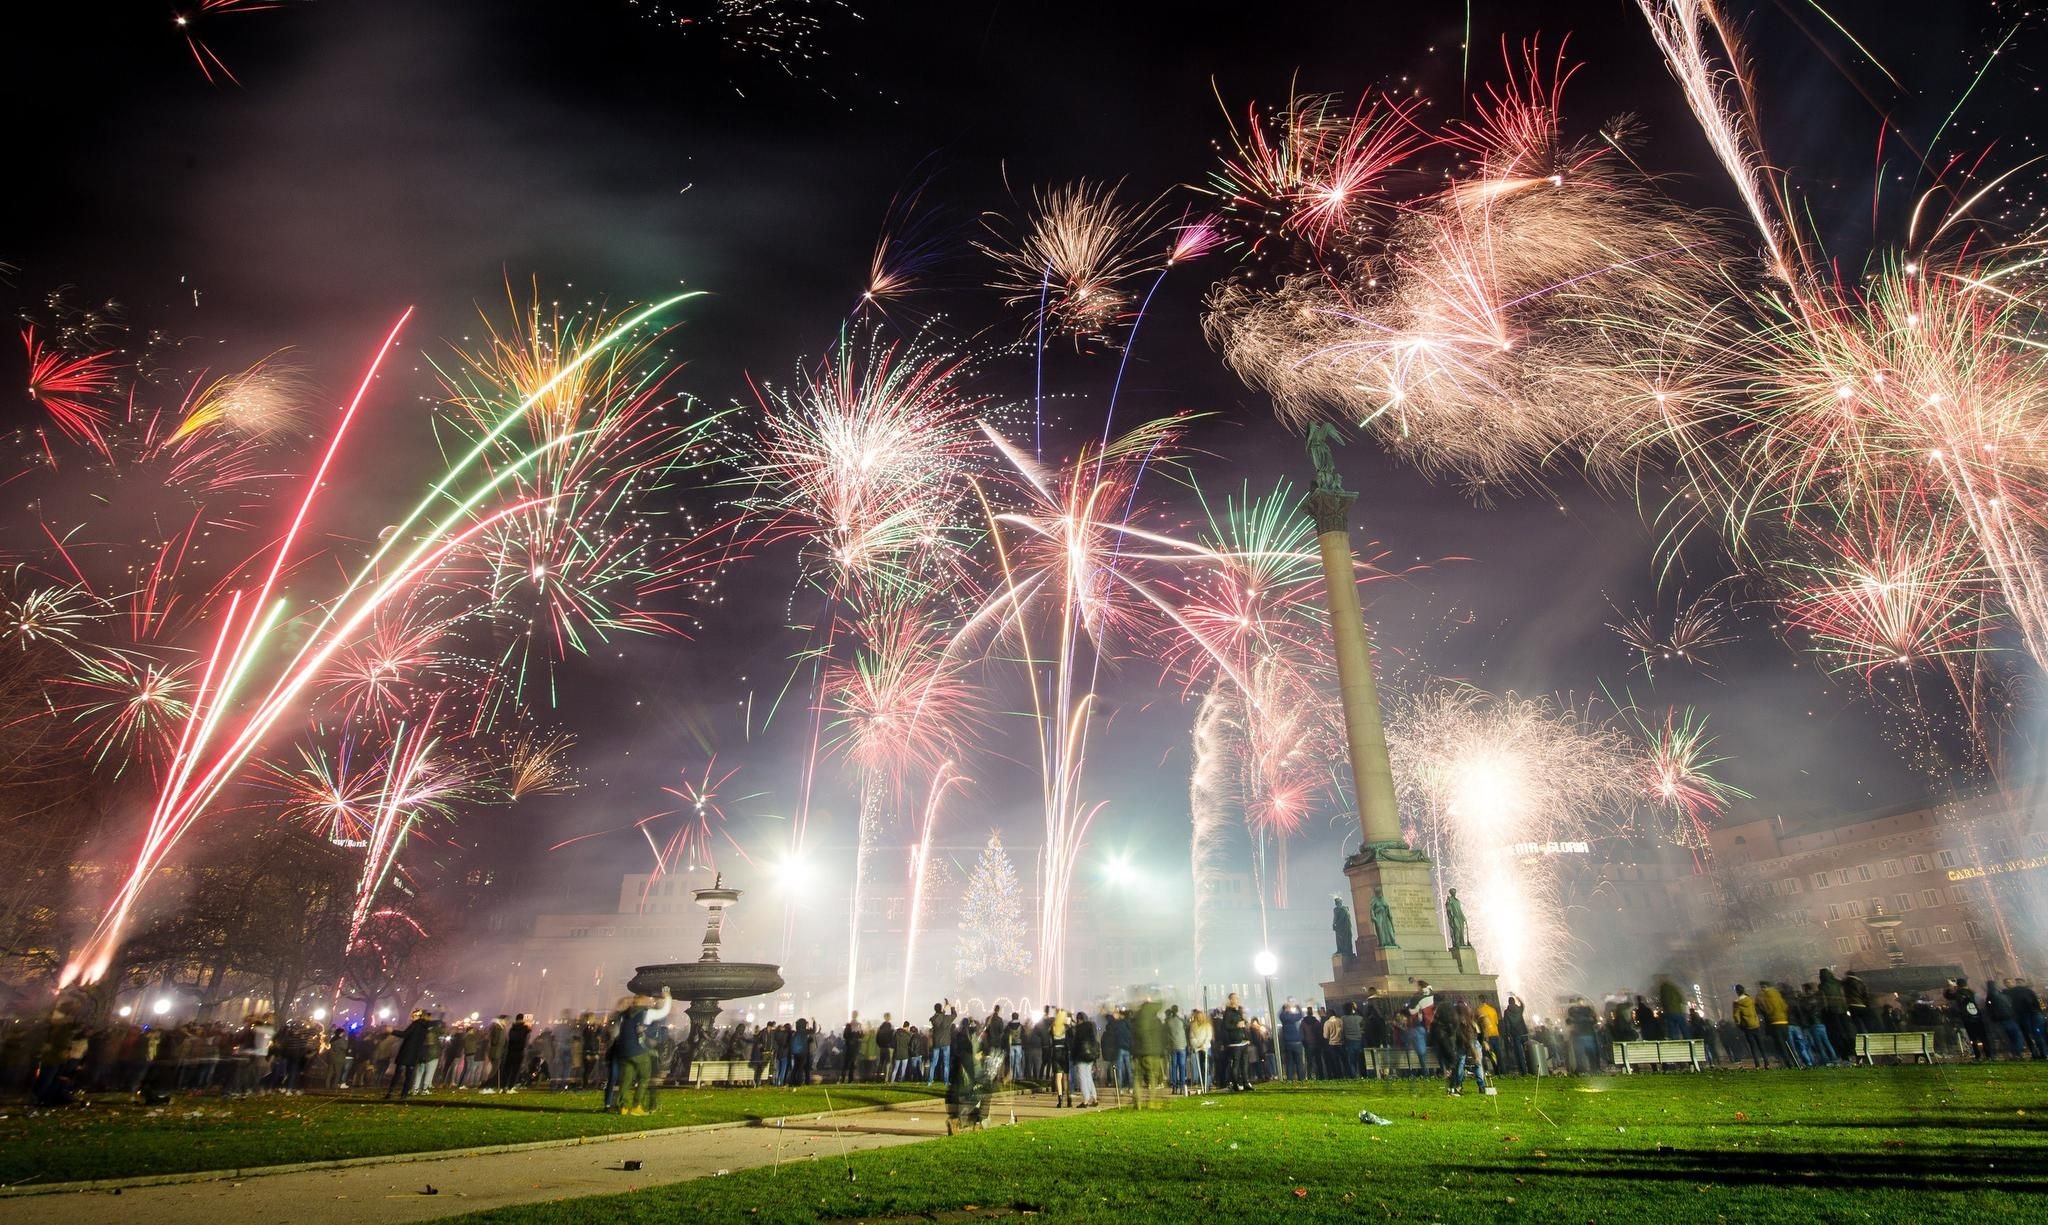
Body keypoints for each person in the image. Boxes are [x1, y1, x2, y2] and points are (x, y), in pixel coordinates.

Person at [611, 987, 673, 1115]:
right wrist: (668, 996)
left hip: (623, 1051)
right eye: (647, 1000)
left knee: (626, 1080)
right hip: (639, 1050)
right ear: (642, 1002)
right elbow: (664, 1012)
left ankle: (623, 1106)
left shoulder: (624, 1015)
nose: (650, 1001)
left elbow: (615, 1032)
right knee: (644, 1078)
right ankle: (636, 1105)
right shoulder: (646, 1013)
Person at [386, 1010, 432, 1100]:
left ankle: (390, 1092)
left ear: (419, 1016)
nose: (412, 1017)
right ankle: (404, 1094)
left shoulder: (415, 1025)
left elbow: (405, 1034)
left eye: (414, 1015)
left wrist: (392, 1031)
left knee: (398, 1074)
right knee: (409, 1075)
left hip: (406, 1052)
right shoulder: (425, 1027)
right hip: (414, 1053)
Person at [1130, 997, 1168, 1107]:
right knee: (1153, 1077)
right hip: (1152, 1053)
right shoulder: (1155, 1021)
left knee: (1137, 1078)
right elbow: (1161, 1036)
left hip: (1138, 1053)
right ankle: (1152, 1101)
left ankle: (1137, 1102)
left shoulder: (1136, 1020)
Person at [1758, 981, 1797, 1068]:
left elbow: (1767, 1009)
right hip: (1784, 1021)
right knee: (1788, 1043)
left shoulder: (1765, 996)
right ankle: (1795, 1061)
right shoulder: (1777, 994)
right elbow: (1784, 1006)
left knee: (1780, 1044)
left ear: (1763, 987)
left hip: (1774, 1022)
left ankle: (1787, 1063)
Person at [1220, 993, 1252, 1091]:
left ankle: (1246, 1082)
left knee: (1245, 1063)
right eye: (1235, 998)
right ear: (1231, 1000)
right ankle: (1236, 1083)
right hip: (1235, 1042)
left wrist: (1247, 1035)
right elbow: (1226, 1026)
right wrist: (1236, 1026)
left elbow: (1243, 1024)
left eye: (1238, 998)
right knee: (1236, 1063)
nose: (1238, 1000)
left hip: (1244, 1040)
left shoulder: (1239, 1011)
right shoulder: (1228, 1012)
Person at [1070, 1010, 1100, 1106]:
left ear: (1079, 1020)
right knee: (1088, 1077)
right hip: (1090, 1056)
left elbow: (1076, 1044)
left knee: (1083, 1078)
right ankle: (1094, 1098)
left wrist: (1073, 1057)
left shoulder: (1079, 1029)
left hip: (1081, 1056)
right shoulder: (1092, 1027)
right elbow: (1095, 1042)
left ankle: (1086, 1099)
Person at [1731, 984, 1766, 1067]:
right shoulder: (1750, 1000)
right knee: (1760, 1044)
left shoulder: (1737, 1002)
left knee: (1752, 1046)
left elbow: (1736, 1015)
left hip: (1747, 1026)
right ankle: (1766, 1062)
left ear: (1737, 992)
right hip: (1755, 1024)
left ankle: (1757, 1064)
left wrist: (1738, 1024)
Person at [927, 1003, 955, 1086]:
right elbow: (954, 1015)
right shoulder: (946, 1018)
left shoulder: (934, 1019)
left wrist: (943, 1009)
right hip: (946, 1043)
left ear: (935, 1010)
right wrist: (951, 1006)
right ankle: (946, 1082)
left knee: (933, 1063)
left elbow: (937, 1017)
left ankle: (930, 1081)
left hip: (937, 1043)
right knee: (946, 1063)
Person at [1049, 1009, 1073, 1106]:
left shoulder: (1053, 1027)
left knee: (1058, 1077)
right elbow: (1071, 1039)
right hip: (1064, 1053)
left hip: (1055, 1052)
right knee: (1066, 1078)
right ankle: (1069, 1099)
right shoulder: (1067, 1028)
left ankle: (1060, 1100)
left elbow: (1050, 1039)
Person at [1165, 1004, 1189, 1093]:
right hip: (1182, 1045)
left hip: (1172, 1046)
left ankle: (1174, 1087)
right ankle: (1182, 1086)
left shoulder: (1168, 1021)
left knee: (1173, 1066)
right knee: (1182, 1066)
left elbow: (1166, 1033)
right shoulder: (1181, 1021)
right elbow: (1187, 1027)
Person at [1187, 1008, 1213, 1092]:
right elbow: (1192, 1037)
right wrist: (1197, 1045)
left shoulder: (1207, 1025)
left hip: (1206, 1048)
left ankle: (1207, 1084)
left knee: (1206, 1066)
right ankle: (1201, 1083)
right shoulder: (1193, 1026)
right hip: (1197, 1048)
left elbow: (1209, 1036)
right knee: (1200, 1066)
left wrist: (1203, 1045)